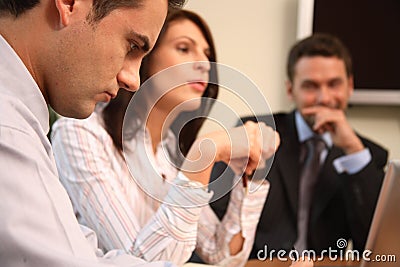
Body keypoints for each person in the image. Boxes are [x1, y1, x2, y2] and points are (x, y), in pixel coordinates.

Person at [50, 9, 285, 267]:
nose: (204, 64)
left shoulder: (167, 152)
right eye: (184, 48)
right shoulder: (80, 133)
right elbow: (138, 261)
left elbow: (224, 256)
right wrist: (204, 154)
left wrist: (248, 177)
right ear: (144, 55)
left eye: (207, 55)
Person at [0, 0, 186, 266]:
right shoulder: (9, 129)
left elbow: (79, 252)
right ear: (69, 3)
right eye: (132, 46)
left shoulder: (20, 123)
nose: (133, 80)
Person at [210, 33, 388, 258]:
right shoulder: (255, 131)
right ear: (290, 90)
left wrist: (353, 150)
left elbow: (376, 248)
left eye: (334, 84)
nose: (324, 98)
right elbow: (214, 216)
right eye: (311, 86)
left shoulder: (367, 155)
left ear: (349, 86)